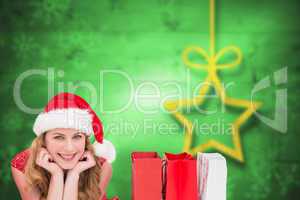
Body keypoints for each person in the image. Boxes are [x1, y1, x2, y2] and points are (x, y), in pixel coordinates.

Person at [11, 92, 118, 200]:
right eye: (59, 137)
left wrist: (73, 175)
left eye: (77, 137)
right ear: (43, 140)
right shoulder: (23, 165)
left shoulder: (101, 166)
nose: (69, 148)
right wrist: (56, 176)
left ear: (85, 140)